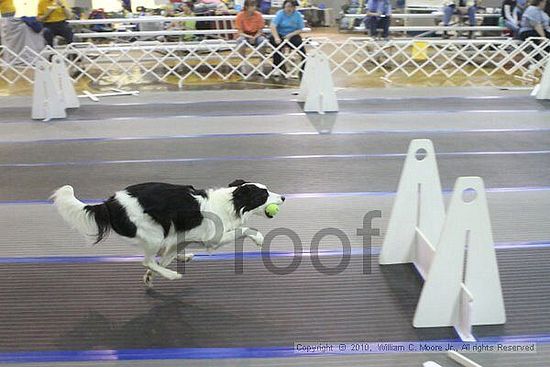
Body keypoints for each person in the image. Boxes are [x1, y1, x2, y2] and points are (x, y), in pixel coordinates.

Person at [269, 0, 306, 76]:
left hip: (293, 35)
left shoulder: (298, 15)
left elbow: (300, 29)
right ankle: (276, 68)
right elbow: (273, 26)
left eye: (292, 7)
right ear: (284, 7)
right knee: (275, 45)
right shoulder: (280, 14)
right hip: (280, 34)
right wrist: (276, 37)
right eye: (288, 6)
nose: (289, 8)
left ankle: (303, 68)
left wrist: (290, 35)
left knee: (301, 48)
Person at [236, 0, 266, 72]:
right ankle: (243, 63)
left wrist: (255, 37)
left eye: (255, 5)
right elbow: (240, 32)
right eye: (252, 6)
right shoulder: (240, 15)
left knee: (262, 41)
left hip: (256, 35)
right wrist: (248, 37)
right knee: (240, 41)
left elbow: (260, 31)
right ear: (246, 7)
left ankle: (261, 63)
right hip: (245, 35)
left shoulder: (258, 15)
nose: (254, 7)